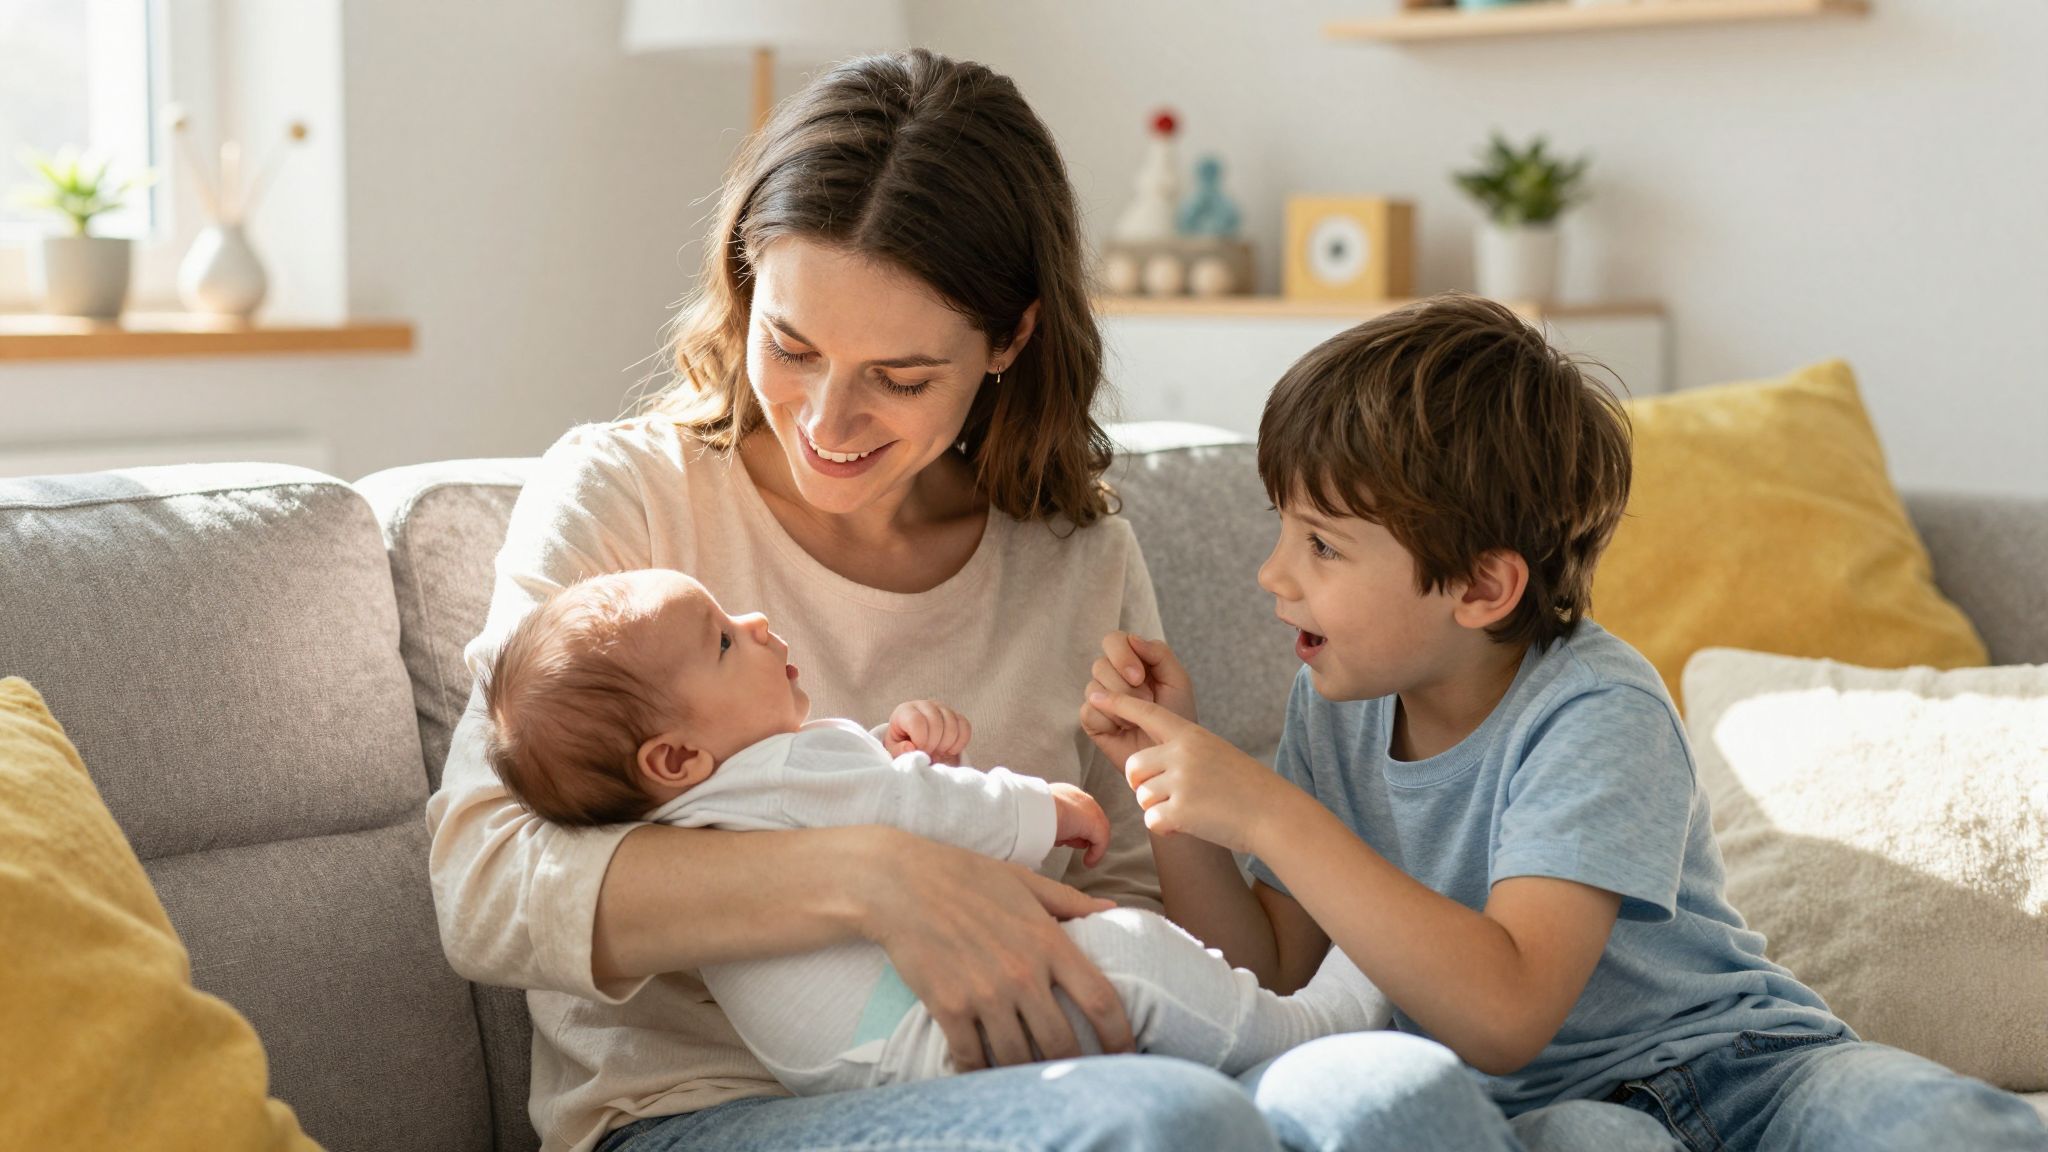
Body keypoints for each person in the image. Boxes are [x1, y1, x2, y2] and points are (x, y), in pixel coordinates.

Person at [429, 47, 1437, 1152]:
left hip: (1045, 1069)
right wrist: (876, 875)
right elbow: (485, 884)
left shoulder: (1074, 558)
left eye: (900, 379)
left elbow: (1144, 915)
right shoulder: (630, 498)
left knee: (1392, 1097)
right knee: (1167, 1124)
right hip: (701, 1114)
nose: (825, 419)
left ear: (1010, 339)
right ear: (743, 284)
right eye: (791, 345)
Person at [1081, 294, 2048, 1151]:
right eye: (1283, 527)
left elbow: (1508, 1005)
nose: (1273, 574)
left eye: (1323, 544)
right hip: (1536, 1112)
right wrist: (1181, 794)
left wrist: (1270, 814)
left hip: (1744, 1072)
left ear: (1481, 586)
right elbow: (1276, 974)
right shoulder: (1334, 704)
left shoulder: (1596, 706)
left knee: (1936, 1124)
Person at [475, 567, 1391, 1098]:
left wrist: (894, 755)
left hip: (856, 1053)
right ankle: (1312, 1025)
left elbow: (859, 801)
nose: (751, 619)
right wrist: (1044, 810)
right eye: (721, 640)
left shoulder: (709, 797)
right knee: (1125, 953)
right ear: (673, 759)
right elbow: (915, 813)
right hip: (909, 1032)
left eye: (903, 374)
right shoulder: (786, 768)